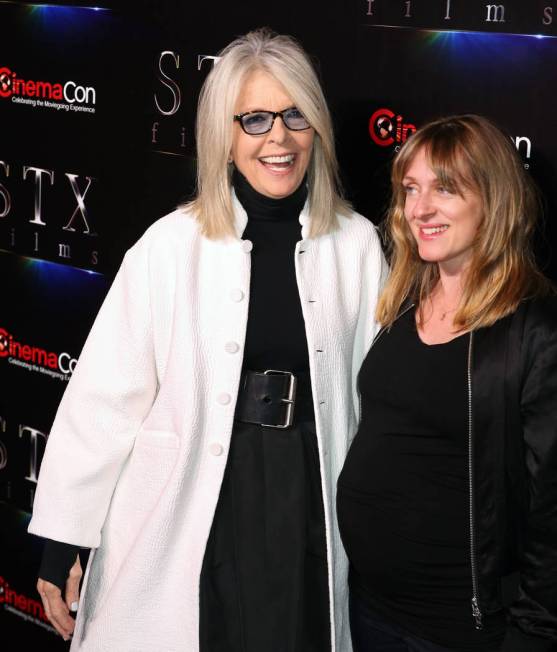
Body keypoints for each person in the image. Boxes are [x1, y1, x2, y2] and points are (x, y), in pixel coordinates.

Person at [29, 29, 387, 652]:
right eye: (255, 119)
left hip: (307, 497)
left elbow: (377, 397)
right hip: (197, 495)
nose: (278, 137)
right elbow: (104, 401)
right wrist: (62, 541)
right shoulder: (169, 247)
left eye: (295, 115)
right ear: (223, 137)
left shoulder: (356, 245)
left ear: (316, 129)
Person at [337, 114, 557, 652]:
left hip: (459, 630)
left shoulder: (535, 334)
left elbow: (551, 516)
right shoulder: (403, 299)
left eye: (445, 188)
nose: (420, 209)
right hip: (367, 609)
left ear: (494, 198)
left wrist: (532, 634)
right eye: (411, 189)